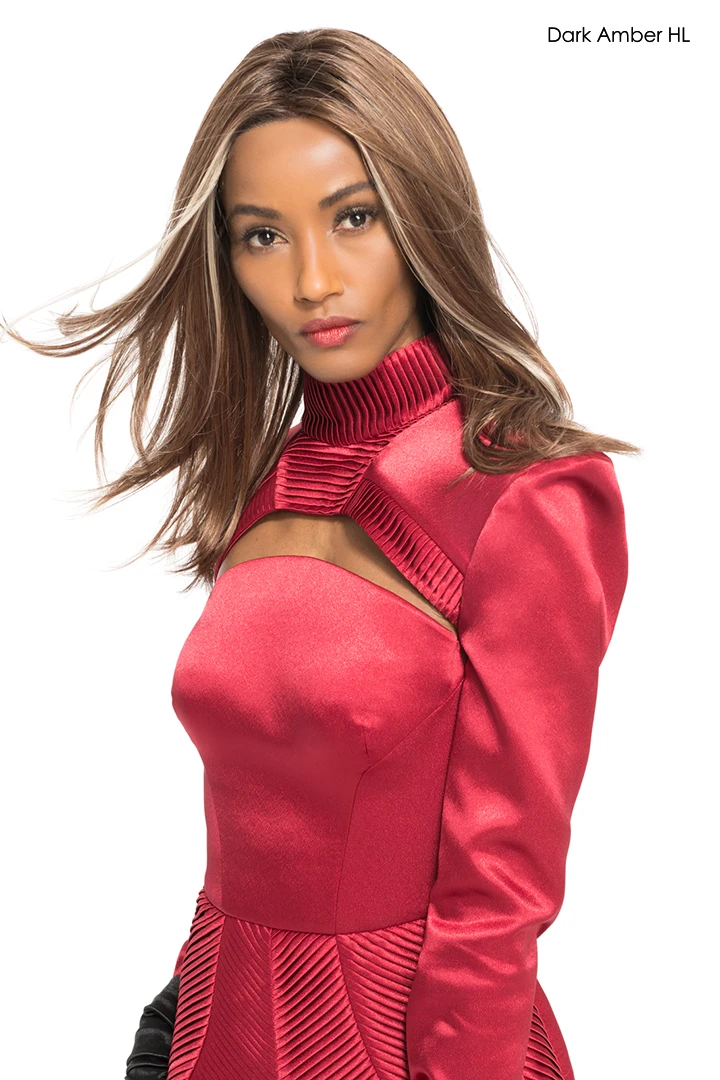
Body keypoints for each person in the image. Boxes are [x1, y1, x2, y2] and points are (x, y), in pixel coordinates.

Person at [6, 27, 640, 1080]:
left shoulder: (525, 489)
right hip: (212, 1030)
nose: (311, 280)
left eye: (354, 218)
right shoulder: (274, 477)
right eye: (262, 235)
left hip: (412, 1049)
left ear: (422, 213)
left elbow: (499, 896)